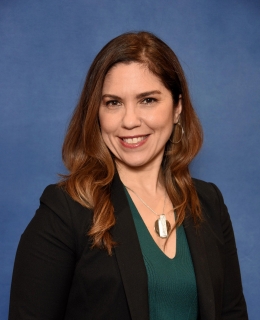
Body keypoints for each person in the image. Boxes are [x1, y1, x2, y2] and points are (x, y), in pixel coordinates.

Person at [9, 31, 248, 320]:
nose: (130, 121)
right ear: (96, 113)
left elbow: (232, 313)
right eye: (113, 103)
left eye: (147, 100)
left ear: (177, 108)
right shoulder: (65, 209)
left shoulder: (209, 202)